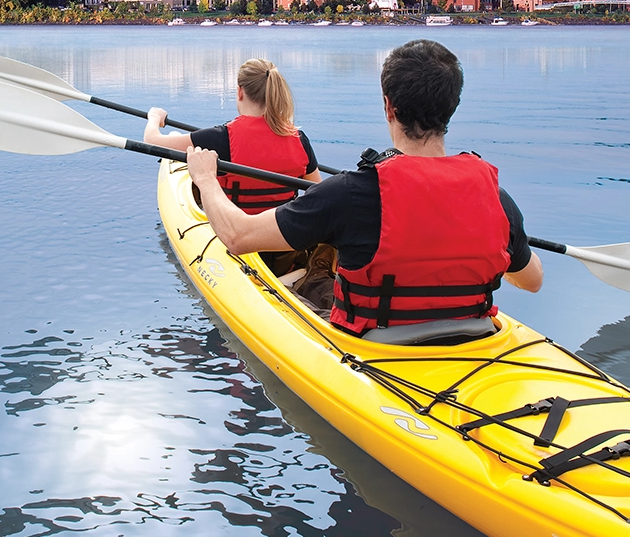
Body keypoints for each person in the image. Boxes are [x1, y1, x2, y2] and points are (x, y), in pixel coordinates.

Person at [185, 39, 543, 337]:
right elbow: (532, 281)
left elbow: (237, 236)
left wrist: (204, 178)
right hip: (474, 340)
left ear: (388, 106)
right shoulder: (496, 199)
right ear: (452, 108)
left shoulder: (350, 195)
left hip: (377, 346)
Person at [144, 58, 322, 215]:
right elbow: (317, 193)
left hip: (238, 235)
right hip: (284, 235)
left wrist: (154, 117)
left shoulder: (220, 139)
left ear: (240, 92)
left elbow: (153, 142)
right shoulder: (299, 138)